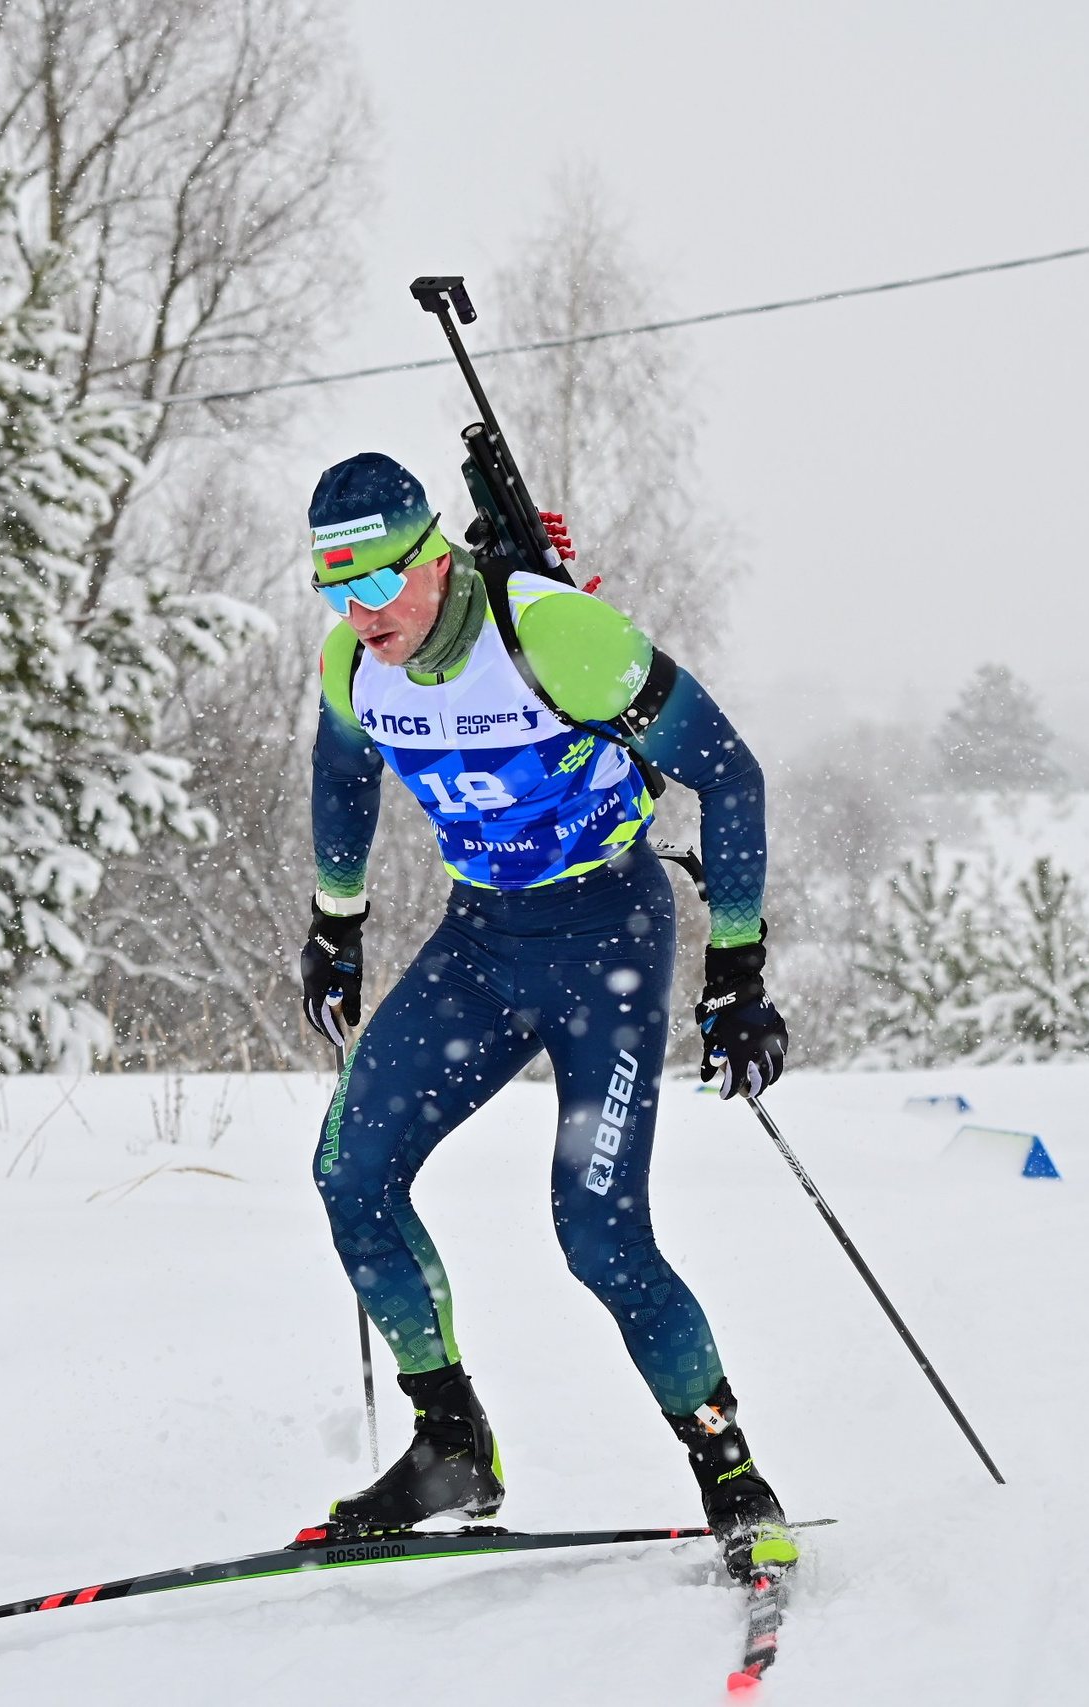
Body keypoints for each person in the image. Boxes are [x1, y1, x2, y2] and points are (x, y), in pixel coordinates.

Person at [295, 451, 795, 1582]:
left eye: (375, 585)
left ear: (431, 558)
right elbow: (342, 773)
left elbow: (731, 773)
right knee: (349, 1175)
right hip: (481, 943)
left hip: (605, 942)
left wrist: (737, 972)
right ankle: (451, 1446)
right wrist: (338, 922)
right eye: (333, 591)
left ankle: (729, 1472)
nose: (357, 615)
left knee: (597, 1231)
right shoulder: (351, 665)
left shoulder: (553, 636)